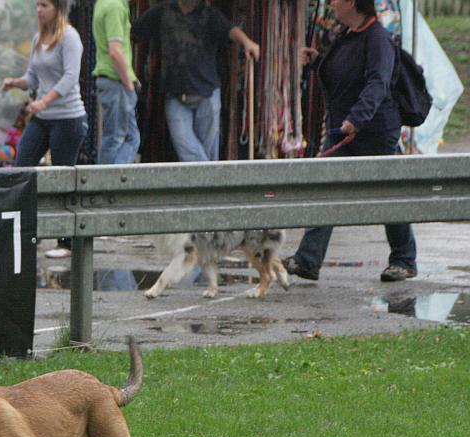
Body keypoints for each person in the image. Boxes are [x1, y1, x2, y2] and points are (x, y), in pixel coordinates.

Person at [281, 0, 417, 283]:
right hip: (342, 128)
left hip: (374, 130)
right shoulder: (348, 35)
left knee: (386, 194)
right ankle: (308, 259)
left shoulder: (378, 38)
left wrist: (357, 118)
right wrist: (317, 62)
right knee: (326, 189)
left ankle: (404, 259)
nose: (331, 3)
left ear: (353, 3)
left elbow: (378, 82)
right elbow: (345, 73)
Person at [2, 0, 87, 259]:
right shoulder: (38, 38)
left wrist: (44, 101)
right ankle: (28, 233)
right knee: (23, 168)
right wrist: (15, 83)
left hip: (67, 118)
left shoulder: (70, 38)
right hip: (42, 119)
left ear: (58, 8)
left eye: (45, 5)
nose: (39, 9)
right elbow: (33, 77)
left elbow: (70, 77)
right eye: (37, 4)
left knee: (62, 177)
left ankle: (66, 241)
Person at [131, 0, 260, 163]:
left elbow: (230, 30)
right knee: (185, 148)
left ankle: (207, 174)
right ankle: (210, 174)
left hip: (207, 94)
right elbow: (134, 31)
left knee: (206, 150)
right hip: (175, 95)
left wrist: (246, 42)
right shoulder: (162, 12)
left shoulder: (209, 14)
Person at [92, 0, 140, 166]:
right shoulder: (115, 6)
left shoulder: (103, 3)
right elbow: (115, 52)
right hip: (116, 81)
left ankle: (111, 177)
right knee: (118, 139)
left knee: (127, 137)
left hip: (112, 80)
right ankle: (110, 179)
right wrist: (129, 84)